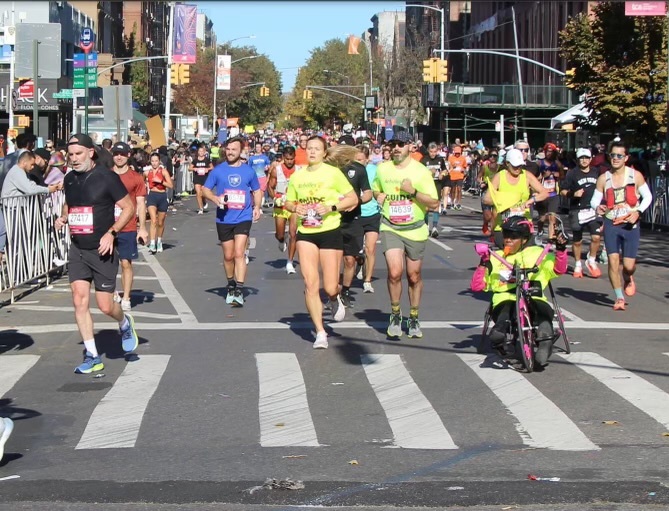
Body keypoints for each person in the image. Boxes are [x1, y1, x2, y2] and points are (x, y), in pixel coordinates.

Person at [53, 133, 139, 374]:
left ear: (91, 152)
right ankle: (92, 356)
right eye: (70, 155)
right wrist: (63, 217)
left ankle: (124, 323)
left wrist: (111, 233)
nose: (74, 159)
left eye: (78, 154)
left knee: (105, 306)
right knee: (79, 299)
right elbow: (70, 204)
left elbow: (128, 208)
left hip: (102, 249)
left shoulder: (107, 178)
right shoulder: (69, 178)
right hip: (79, 248)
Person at [283, 135, 358, 349]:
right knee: (310, 283)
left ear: (325, 153)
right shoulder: (298, 176)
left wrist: (332, 208)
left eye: (317, 149)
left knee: (330, 286)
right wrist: (295, 208)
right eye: (309, 148)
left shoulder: (333, 174)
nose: (312, 152)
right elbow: (289, 201)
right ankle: (320, 332)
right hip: (306, 231)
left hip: (330, 230)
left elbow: (353, 198)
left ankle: (335, 298)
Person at [470, 216, 568, 367]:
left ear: (524, 239)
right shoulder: (496, 257)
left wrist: (561, 249)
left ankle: (545, 336)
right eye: (506, 235)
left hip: (532, 296)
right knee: (507, 308)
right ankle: (500, 330)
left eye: (514, 236)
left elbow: (559, 269)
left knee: (540, 307)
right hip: (505, 299)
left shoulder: (538, 253)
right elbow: (476, 287)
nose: (508, 239)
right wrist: (483, 263)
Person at [372, 138, 439, 339]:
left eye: (400, 145)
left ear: (410, 147)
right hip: (390, 226)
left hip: (415, 228)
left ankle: (414, 316)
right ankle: (395, 315)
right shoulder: (383, 169)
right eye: (393, 145)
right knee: (394, 272)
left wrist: (413, 192)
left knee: (414, 275)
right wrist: (378, 195)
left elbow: (434, 203)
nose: (396, 149)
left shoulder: (421, 171)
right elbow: (376, 188)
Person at [590, 141, 652, 311]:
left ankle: (628, 277)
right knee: (612, 261)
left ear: (626, 158)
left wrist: (638, 212)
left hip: (630, 225)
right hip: (611, 223)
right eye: (613, 155)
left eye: (619, 156)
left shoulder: (635, 176)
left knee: (629, 266)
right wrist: (598, 207)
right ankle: (619, 297)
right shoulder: (604, 178)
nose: (615, 159)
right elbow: (595, 199)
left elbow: (648, 197)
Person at [202, 136, 262, 307]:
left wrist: (257, 207)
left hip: (243, 216)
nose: (230, 152)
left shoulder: (248, 171)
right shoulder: (218, 171)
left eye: (233, 149)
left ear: (241, 151)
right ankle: (230, 285)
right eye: (228, 149)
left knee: (239, 253)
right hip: (224, 217)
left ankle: (239, 290)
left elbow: (257, 191)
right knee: (228, 256)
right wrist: (215, 198)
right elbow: (205, 190)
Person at [324, 144, 372, 308]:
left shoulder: (358, 169)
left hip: (353, 220)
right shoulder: (328, 168)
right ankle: (333, 292)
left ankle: (345, 291)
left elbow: (368, 193)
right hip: (332, 219)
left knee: (350, 260)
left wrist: (356, 201)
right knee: (333, 260)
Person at [482, 148, 549, 249]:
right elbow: (486, 199)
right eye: (515, 166)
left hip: (523, 224)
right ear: (507, 163)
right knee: (507, 254)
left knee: (526, 257)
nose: (518, 168)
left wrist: (531, 200)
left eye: (520, 165)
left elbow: (544, 193)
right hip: (503, 225)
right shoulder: (500, 176)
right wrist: (504, 201)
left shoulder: (526, 175)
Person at [111, 142, 149, 311]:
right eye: (116, 154)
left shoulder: (136, 178)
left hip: (128, 226)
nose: (119, 157)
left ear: (128, 155)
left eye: (122, 154)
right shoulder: (106, 175)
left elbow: (141, 203)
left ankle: (126, 297)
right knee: (107, 264)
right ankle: (112, 292)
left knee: (126, 263)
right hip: (107, 227)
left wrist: (142, 228)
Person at [560, 147, 602, 279]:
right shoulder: (572, 174)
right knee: (577, 240)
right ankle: (578, 265)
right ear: (578, 160)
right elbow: (562, 191)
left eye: (586, 158)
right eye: (581, 158)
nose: (584, 160)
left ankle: (592, 261)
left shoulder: (596, 172)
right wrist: (573, 194)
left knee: (596, 237)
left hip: (592, 209)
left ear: (590, 159)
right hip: (577, 210)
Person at [267, 145, 299, 274]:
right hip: (280, 205)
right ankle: (281, 239)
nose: (289, 161)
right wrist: (274, 197)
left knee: (293, 234)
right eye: (287, 159)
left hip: (294, 205)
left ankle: (290, 262)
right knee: (279, 234)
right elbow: (270, 186)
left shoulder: (300, 170)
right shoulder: (277, 170)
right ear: (283, 158)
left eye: (291, 159)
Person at [144, 152, 173, 254]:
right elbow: (141, 182)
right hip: (152, 196)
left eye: (156, 161)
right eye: (152, 161)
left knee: (160, 222)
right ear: (150, 162)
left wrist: (161, 181)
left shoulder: (164, 171)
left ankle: (159, 241)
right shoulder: (147, 173)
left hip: (162, 196)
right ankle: (152, 243)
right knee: (153, 220)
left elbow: (171, 185)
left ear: (159, 161)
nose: (154, 163)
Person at [536, 143, 565, 241]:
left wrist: (558, 174)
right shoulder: (539, 163)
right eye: (547, 151)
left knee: (552, 217)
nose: (549, 154)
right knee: (542, 218)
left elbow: (562, 175)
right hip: (542, 194)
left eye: (551, 152)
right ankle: (540, 230)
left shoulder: (557, 164)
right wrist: (543, 176)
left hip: (553, 194)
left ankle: (551, 237)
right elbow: (534, 178)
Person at [421, 142, 448, 237]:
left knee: (436, 205)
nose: (433, 154)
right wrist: (429, 173)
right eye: (431, 151)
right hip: (426, 185)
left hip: (437, 184)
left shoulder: (440, 160)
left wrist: (442, 174)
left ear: (437, 151)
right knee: (427, 207)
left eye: (434, 152)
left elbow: (445, 170)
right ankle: (426, 225)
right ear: (428, 151)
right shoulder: (424, 160)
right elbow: (419, 173)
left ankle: (435, 227)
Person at [477, 149, 500, 236]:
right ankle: (485, 224)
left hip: (497, 193)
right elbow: (478, 177)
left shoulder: (500, 168)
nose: (493, 157)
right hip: (486, 192)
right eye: (491, 155)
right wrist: (481, 182)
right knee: (488, 215)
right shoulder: (485, 167)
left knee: (495, 215)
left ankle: (493, 234)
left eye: (495, 156)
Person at [190, 144, 213, 214]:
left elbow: (212, 167)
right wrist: (194, 168)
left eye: (202, 151)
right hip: (197, 178)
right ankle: (200, 208)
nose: (201, 153)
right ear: (198, 152)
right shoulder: (195, 160)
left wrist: (207, 169)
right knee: (198, 193)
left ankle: (204, 201)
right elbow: (189, 168)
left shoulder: (207, 160)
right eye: (199, 151)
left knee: (202, 193)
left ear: (204, 152)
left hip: (204, 178)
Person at [248, 142, 271, 207]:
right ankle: (255, 206)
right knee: (254, 192)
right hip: (254, 177)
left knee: (261, 193)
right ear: (255, 148)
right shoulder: (252, 158)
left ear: (261, 148)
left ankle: (259, 207)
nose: (258, 148)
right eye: (257, 147)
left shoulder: (265, 157)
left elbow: (269, 165)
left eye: (259, 147)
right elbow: (249, 167)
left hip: (262, 177)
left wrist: (267, 167)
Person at [447, 144, 468, 210]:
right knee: (453, 190)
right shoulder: (450, 158)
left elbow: (465, 167)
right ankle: (452, 202)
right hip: (452, 176)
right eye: (456, 153)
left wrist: (464, 170)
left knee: (459, 189)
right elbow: (448, 166)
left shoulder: (463, 158)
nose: (457, 154)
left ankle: (458, 203)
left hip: (460, 176)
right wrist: (453, 166)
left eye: (458, 153)